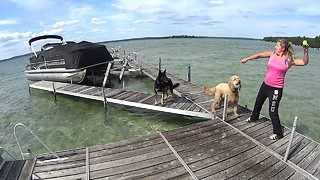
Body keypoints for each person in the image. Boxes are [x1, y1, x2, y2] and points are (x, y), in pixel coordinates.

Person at [241, 39, 309, 140]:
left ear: (282, 48)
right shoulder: (272, 54)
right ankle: (254, 118)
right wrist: (247, 58)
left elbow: (304, 62)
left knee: (272, 112)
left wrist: (306, 51)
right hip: (265, 85)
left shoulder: (288, 60)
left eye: (277, 46)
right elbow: (259, 55)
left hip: (276, 89)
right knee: (258, 103)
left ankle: (278, 133)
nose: (275, 47)